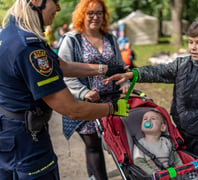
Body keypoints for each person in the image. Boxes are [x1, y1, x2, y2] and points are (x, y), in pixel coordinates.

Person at [0, 0, 129, 179]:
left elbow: (62, 66)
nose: (59, 8)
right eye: (56, 1)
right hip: (26, 143)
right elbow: (72, 109)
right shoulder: (29, 49)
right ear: (37, 2)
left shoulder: (14, 33)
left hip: (10, 137)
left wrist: (105, 69)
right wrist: (113, 108)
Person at [105, 14, 198, 180]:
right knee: (181, 175)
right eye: (190, 42)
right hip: (179, 134)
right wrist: (133, 74)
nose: (193, 47)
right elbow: (157, 72)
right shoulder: (182, 64)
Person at [58, 0, 130, 179]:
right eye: (90, 13)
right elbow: (63, 72)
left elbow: (119, 66)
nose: (95, 17)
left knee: (117, 144)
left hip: (111, 101)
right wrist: (83, 92)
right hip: (85, 103)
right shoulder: (72, 39)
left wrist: (124, 83)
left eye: (99, 13)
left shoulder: (110, 38)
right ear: (82, 14)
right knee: (93, 146)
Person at [133, 110, 198, 179]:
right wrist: (154, 173)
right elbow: (139, 162)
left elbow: (175, 158)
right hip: (155, 175)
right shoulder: (140, 144)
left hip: (171, 172)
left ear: (163, 127)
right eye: (145, 119)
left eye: (153, 119)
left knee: (193, 175)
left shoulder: (166, 141)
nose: (148, 120)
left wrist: (182, 170)